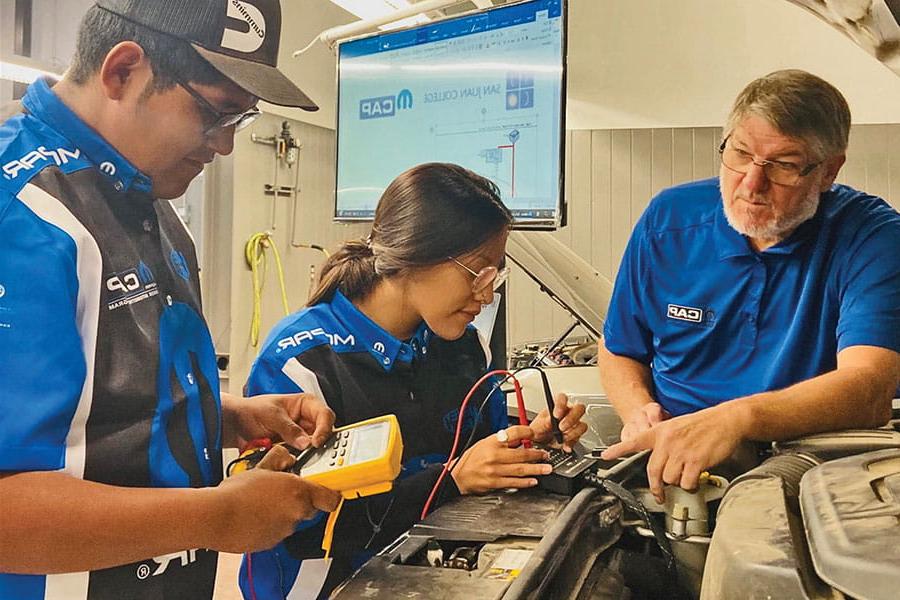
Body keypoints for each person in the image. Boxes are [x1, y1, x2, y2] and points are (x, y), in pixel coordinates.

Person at [0, 1, 342, 598]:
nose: (225, 147)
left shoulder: (148, 199)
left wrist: (229, 415)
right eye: (215, 114)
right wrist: (216, 516)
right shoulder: (22, 215)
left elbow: (95, 401)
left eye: (239, 121)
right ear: (123, 71)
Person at [240, 162, 589, 599]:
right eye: (477, 271)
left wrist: (525, 446)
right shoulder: (301, 363)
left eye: (496, 273)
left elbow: (481, 455)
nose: (487, 294)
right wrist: (451, 480)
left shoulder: (463, 345)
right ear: (415, 253)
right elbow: (298, 531)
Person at [599, 70, 900, 503]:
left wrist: (735, 419)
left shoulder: (872, 237)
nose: (751, 185)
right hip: (673, 463)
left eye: (784, 166)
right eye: (740, 154)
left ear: (829, 170)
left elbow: (868, 388)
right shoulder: (668, 220)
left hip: (809, 471)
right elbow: (620, 347)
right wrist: (637, 412)